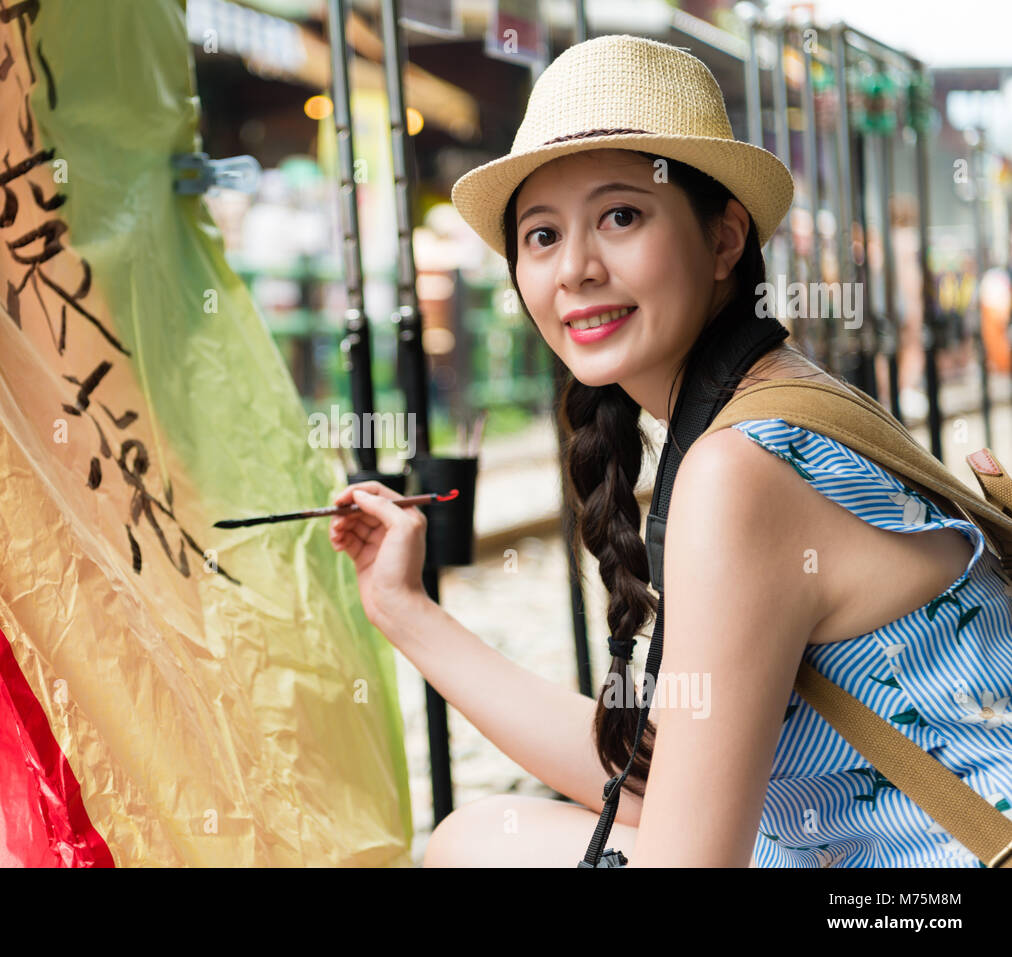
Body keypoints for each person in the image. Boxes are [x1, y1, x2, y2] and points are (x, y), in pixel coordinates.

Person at [328, 34, 1012, 867]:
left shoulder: (739, 470)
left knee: (473, 851)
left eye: (621, 215)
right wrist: (404, 608)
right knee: (474, 839)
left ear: (724, 239)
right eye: (541, 235)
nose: (575, 268)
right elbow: (659, 781)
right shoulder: (781, 398)